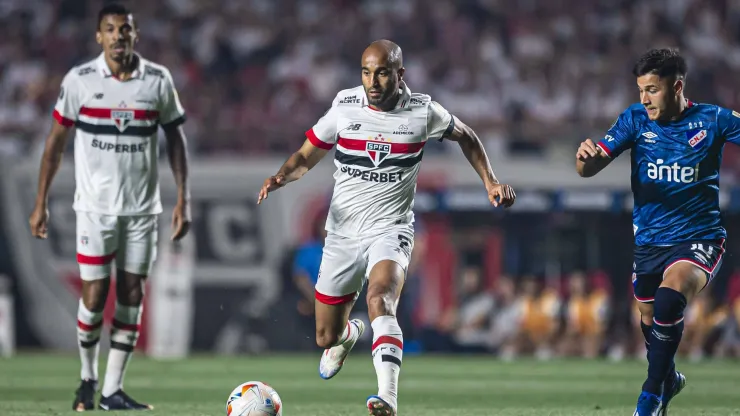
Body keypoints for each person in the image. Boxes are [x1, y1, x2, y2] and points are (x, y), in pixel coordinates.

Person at [258, 39, 515, 416]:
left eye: (381, 72)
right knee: (325, 335)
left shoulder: (424, 111)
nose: (373, 81)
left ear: (400, 74)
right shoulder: (345, 107)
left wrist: (491, 181)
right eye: (366, 72)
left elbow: (468, 137)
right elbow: (306, 153)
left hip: (391, 228)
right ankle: (348, 335)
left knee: (381, 299)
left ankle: (387, 398)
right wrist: (282, 176)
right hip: (342, 234)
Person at [28, 3, 190, 411]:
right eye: (111, 29)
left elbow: (175, 140)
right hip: (94, 209)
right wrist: (40, 202)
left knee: (133, 293)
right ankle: (87, 378)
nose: (119, 36)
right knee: (96, 294)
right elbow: (54, 144)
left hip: (142, 211)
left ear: (136, 35)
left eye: (126, 29)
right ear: (98, 37)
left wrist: (182, 199)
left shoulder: (157, 80)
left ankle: (113, 390)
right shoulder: (79, 80)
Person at [576, 48, 736, 415]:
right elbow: (591, 167)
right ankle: (669, 379)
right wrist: (584, 158)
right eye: (640, 90)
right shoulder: (635, 120)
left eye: (652, 89)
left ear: (676, 86)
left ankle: (650, 397)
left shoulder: (713, 120)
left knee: (669, 299)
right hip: (649, 242)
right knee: (649, 317)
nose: (644, 98)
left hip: (700, 238)